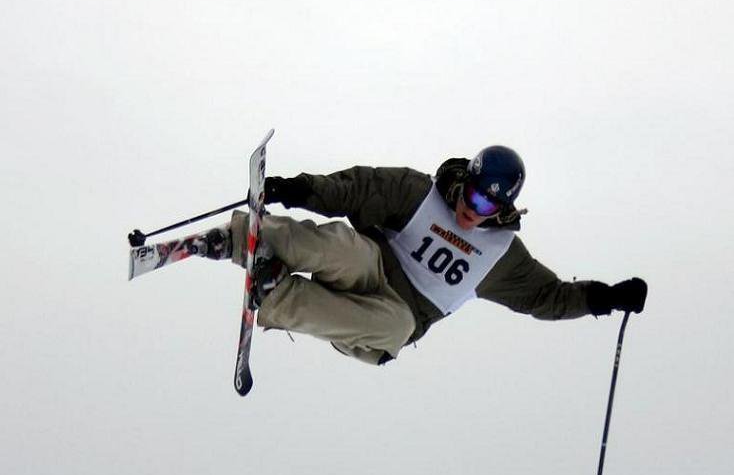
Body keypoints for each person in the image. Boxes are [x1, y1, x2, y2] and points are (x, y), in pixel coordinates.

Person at [194, 146, 647, 367]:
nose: (471, 211)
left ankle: (274, 297)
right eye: (471, 197)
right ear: (464, 180)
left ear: (503, 209)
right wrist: (300, 189)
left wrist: (605, 298)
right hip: (371, 264)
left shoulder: (502, 257)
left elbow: (547, 297)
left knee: (397, 326)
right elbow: (357, 189)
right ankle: (234, 240)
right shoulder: (418, 193)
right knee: (347, 249)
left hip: (390, 317)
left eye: (488, 208)